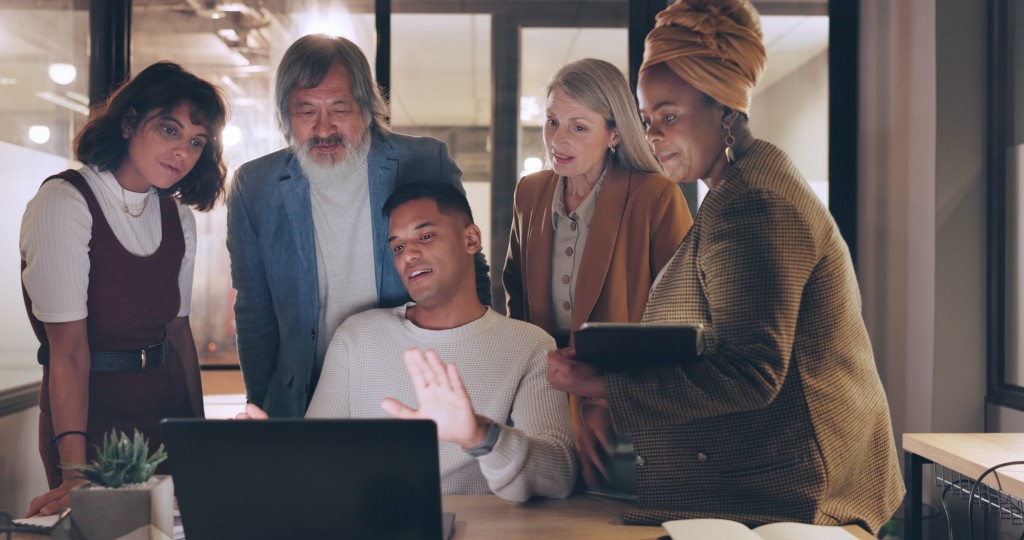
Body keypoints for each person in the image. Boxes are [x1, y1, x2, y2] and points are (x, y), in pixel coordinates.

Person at [546, 0, 904, 534]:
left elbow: (750, 371)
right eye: (647, 121)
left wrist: (605, 388)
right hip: (760, 484)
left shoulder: (754, 205)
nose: (653, 136)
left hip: (792, 502)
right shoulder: (741, 187)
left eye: (670, 116)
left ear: (727, 112)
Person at [241, 182, 576, 502]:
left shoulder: (528, 345)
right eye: (398, 246)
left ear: (471, 239)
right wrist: (275, 454)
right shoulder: (357, 336)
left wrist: (479, 436)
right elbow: (316, 460)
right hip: (368, 526)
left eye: (426, 236)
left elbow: (559, 475)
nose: (409, 254)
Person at [227, 34, 490, 419]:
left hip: (413, 389)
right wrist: (263, 405)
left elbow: (471, 273)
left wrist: (474, 375)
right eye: (306, 111)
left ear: (366, 108)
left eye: (339, 108)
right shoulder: (254, 185)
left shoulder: (424, 160)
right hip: (302, 395)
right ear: (286, 114)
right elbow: (253, 310)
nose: (323, 128)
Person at [21, 61, 228, 516]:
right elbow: (69, 349)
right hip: (90, 421)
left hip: (165, 413)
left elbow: (178, 335)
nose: (183, 152)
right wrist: (73, 470)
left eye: (196, 141)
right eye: (169, 130)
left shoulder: (179, 218)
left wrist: (199, 441)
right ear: (130, 121)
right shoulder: (65, 202)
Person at [502, 57, 691, 494]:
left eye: (578, 127)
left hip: (630, 398)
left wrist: (606, 397)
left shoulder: (655, 196)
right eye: (552, 121)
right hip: (546, 392)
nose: (557, 140)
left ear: (615, 134)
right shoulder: (529, 193)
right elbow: (515, 296)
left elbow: (679, 319)